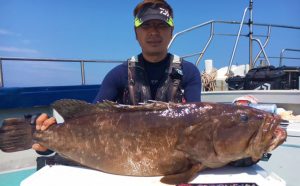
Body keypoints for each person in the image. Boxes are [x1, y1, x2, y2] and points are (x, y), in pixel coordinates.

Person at [32, 0, 202, 157]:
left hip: (175, 158)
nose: (153, 32)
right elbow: (90, 120)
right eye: (146, 26)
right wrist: (49, 142)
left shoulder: (189, 72)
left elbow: (198, 125)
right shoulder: (118, 75)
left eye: (161, 25)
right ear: (136, 33)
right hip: (125, 159)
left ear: (171, 31)